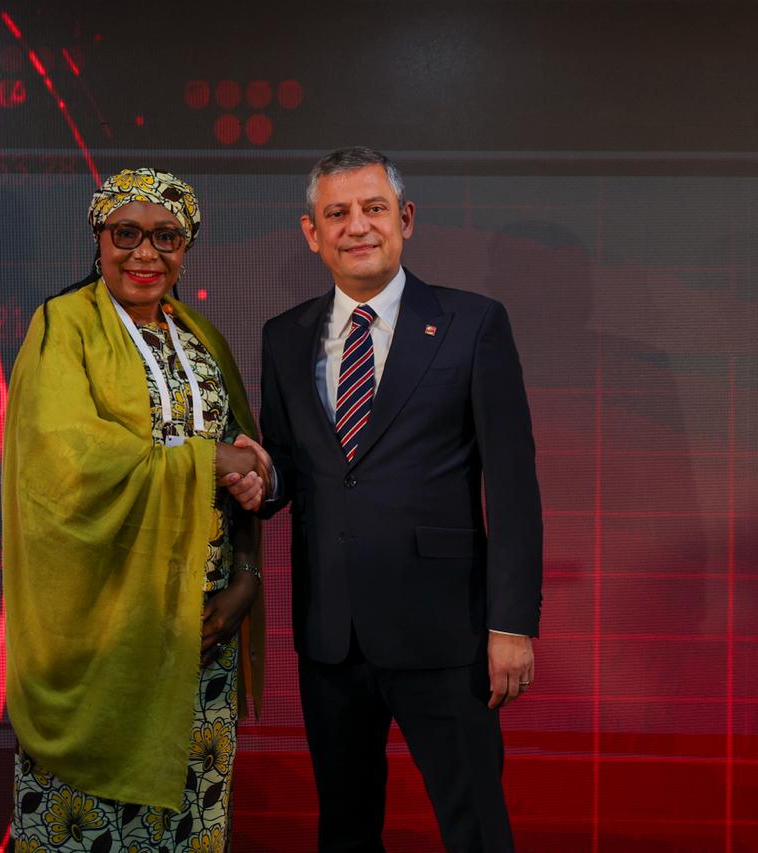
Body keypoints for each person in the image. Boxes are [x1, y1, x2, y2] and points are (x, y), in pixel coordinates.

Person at [233, 147, 542, 851]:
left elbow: (514, 487)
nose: (357, 226)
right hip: (331, 636)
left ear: (405, 219)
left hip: (448, 634)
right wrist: (262, 480)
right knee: (345, 830)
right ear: (312, 233)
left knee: (476, 828)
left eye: (373, 209)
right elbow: (291, 466)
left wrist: (511, 624)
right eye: (337, 213)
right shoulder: (284, 337)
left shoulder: (472, 323)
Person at [2, 168, 267, 850]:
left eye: (166, 237)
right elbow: (67, 461)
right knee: (85, 827)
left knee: (188, 824)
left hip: (201, 633)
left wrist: (245, 576)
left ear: (187, 247)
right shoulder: (63, 325)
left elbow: (244, 458)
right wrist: (206, 462)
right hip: (101, 633)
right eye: (127, 234)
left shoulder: (201, 336)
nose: (145, 254)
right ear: (98, 239)